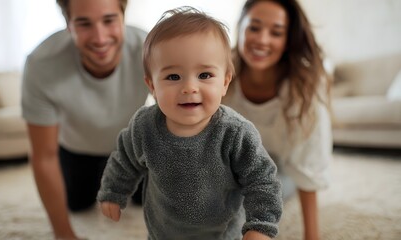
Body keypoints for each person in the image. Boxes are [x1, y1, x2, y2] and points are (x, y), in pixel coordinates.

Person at [97, 6, 282, 240]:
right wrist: (113, 192)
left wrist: (260, 226)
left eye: (205, 75)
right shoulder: (144, 127)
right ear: (152, 86)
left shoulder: (235, 133)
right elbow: (124, 160)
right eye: (173, 77)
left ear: (225, 82)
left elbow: (262, 181)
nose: (189, 88)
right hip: (162, 232)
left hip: (222, 234)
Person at [21, 0, 149, 239]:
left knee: (147, 200)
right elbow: (44, 156)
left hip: (132, 149)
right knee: (77, 204)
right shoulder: (41, 64)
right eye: (83, 23)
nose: (100, 38)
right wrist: (64, 234)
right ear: (68, 24)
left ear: (123, 17)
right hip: (77, 150)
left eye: (109, 20)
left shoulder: (150, 50)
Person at [222, 1, 333, 240]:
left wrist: (312, 236)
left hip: (279, 167)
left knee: (270, 191)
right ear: (239, 27)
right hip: (230, 167)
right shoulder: (218, 72)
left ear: (287, 40)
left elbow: (308, 166)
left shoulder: (305, 91)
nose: (262, 40)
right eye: (254, 28)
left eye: (276, 32)